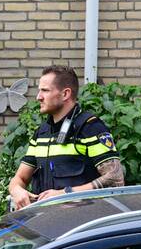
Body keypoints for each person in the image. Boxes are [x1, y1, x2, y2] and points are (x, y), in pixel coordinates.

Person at [8, 65, 125, 210]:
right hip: (47, 225)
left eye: (45, 90)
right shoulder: (41, 132)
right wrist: (17, 190)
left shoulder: (90, 127)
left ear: (65, 94)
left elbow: (115, 180)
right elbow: (19, 179)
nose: (38, 97)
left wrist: (66, 194)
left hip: (81, 226)